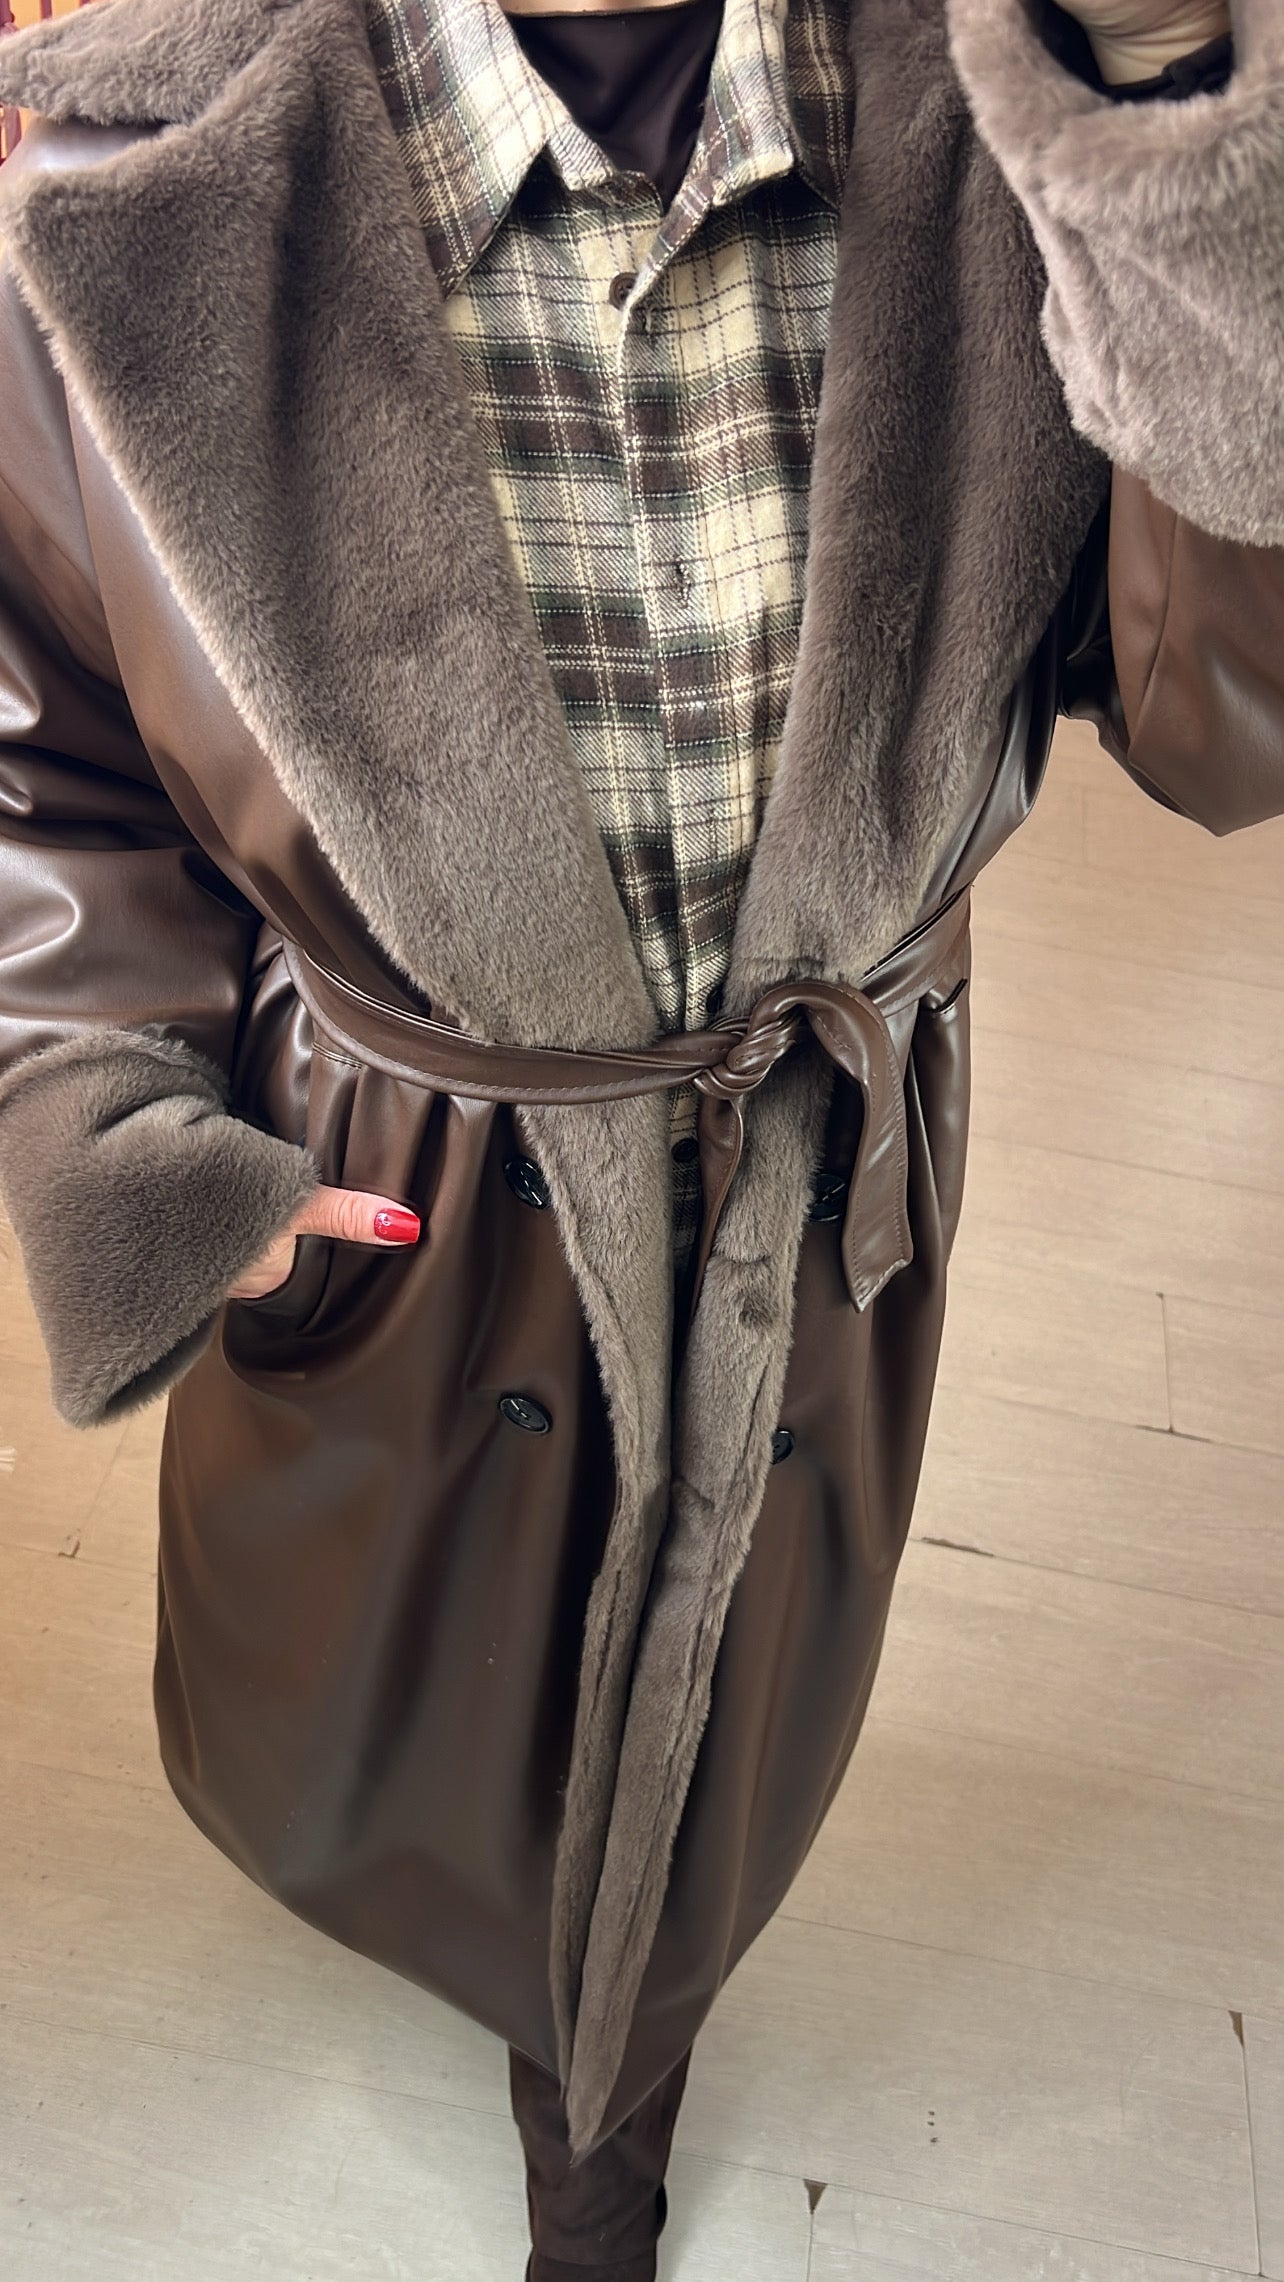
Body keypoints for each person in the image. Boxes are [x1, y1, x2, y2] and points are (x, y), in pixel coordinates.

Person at [0, 0, 1280, 2273]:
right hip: (401, 1193)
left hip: (813, 1186)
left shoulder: (1008, 128)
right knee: (411, 1708)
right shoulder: (135, 186)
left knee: (709, 1720)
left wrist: (1173, 141)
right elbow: (47, 747)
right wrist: (123, 1145)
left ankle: (604, 2135)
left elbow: (1223, 724)